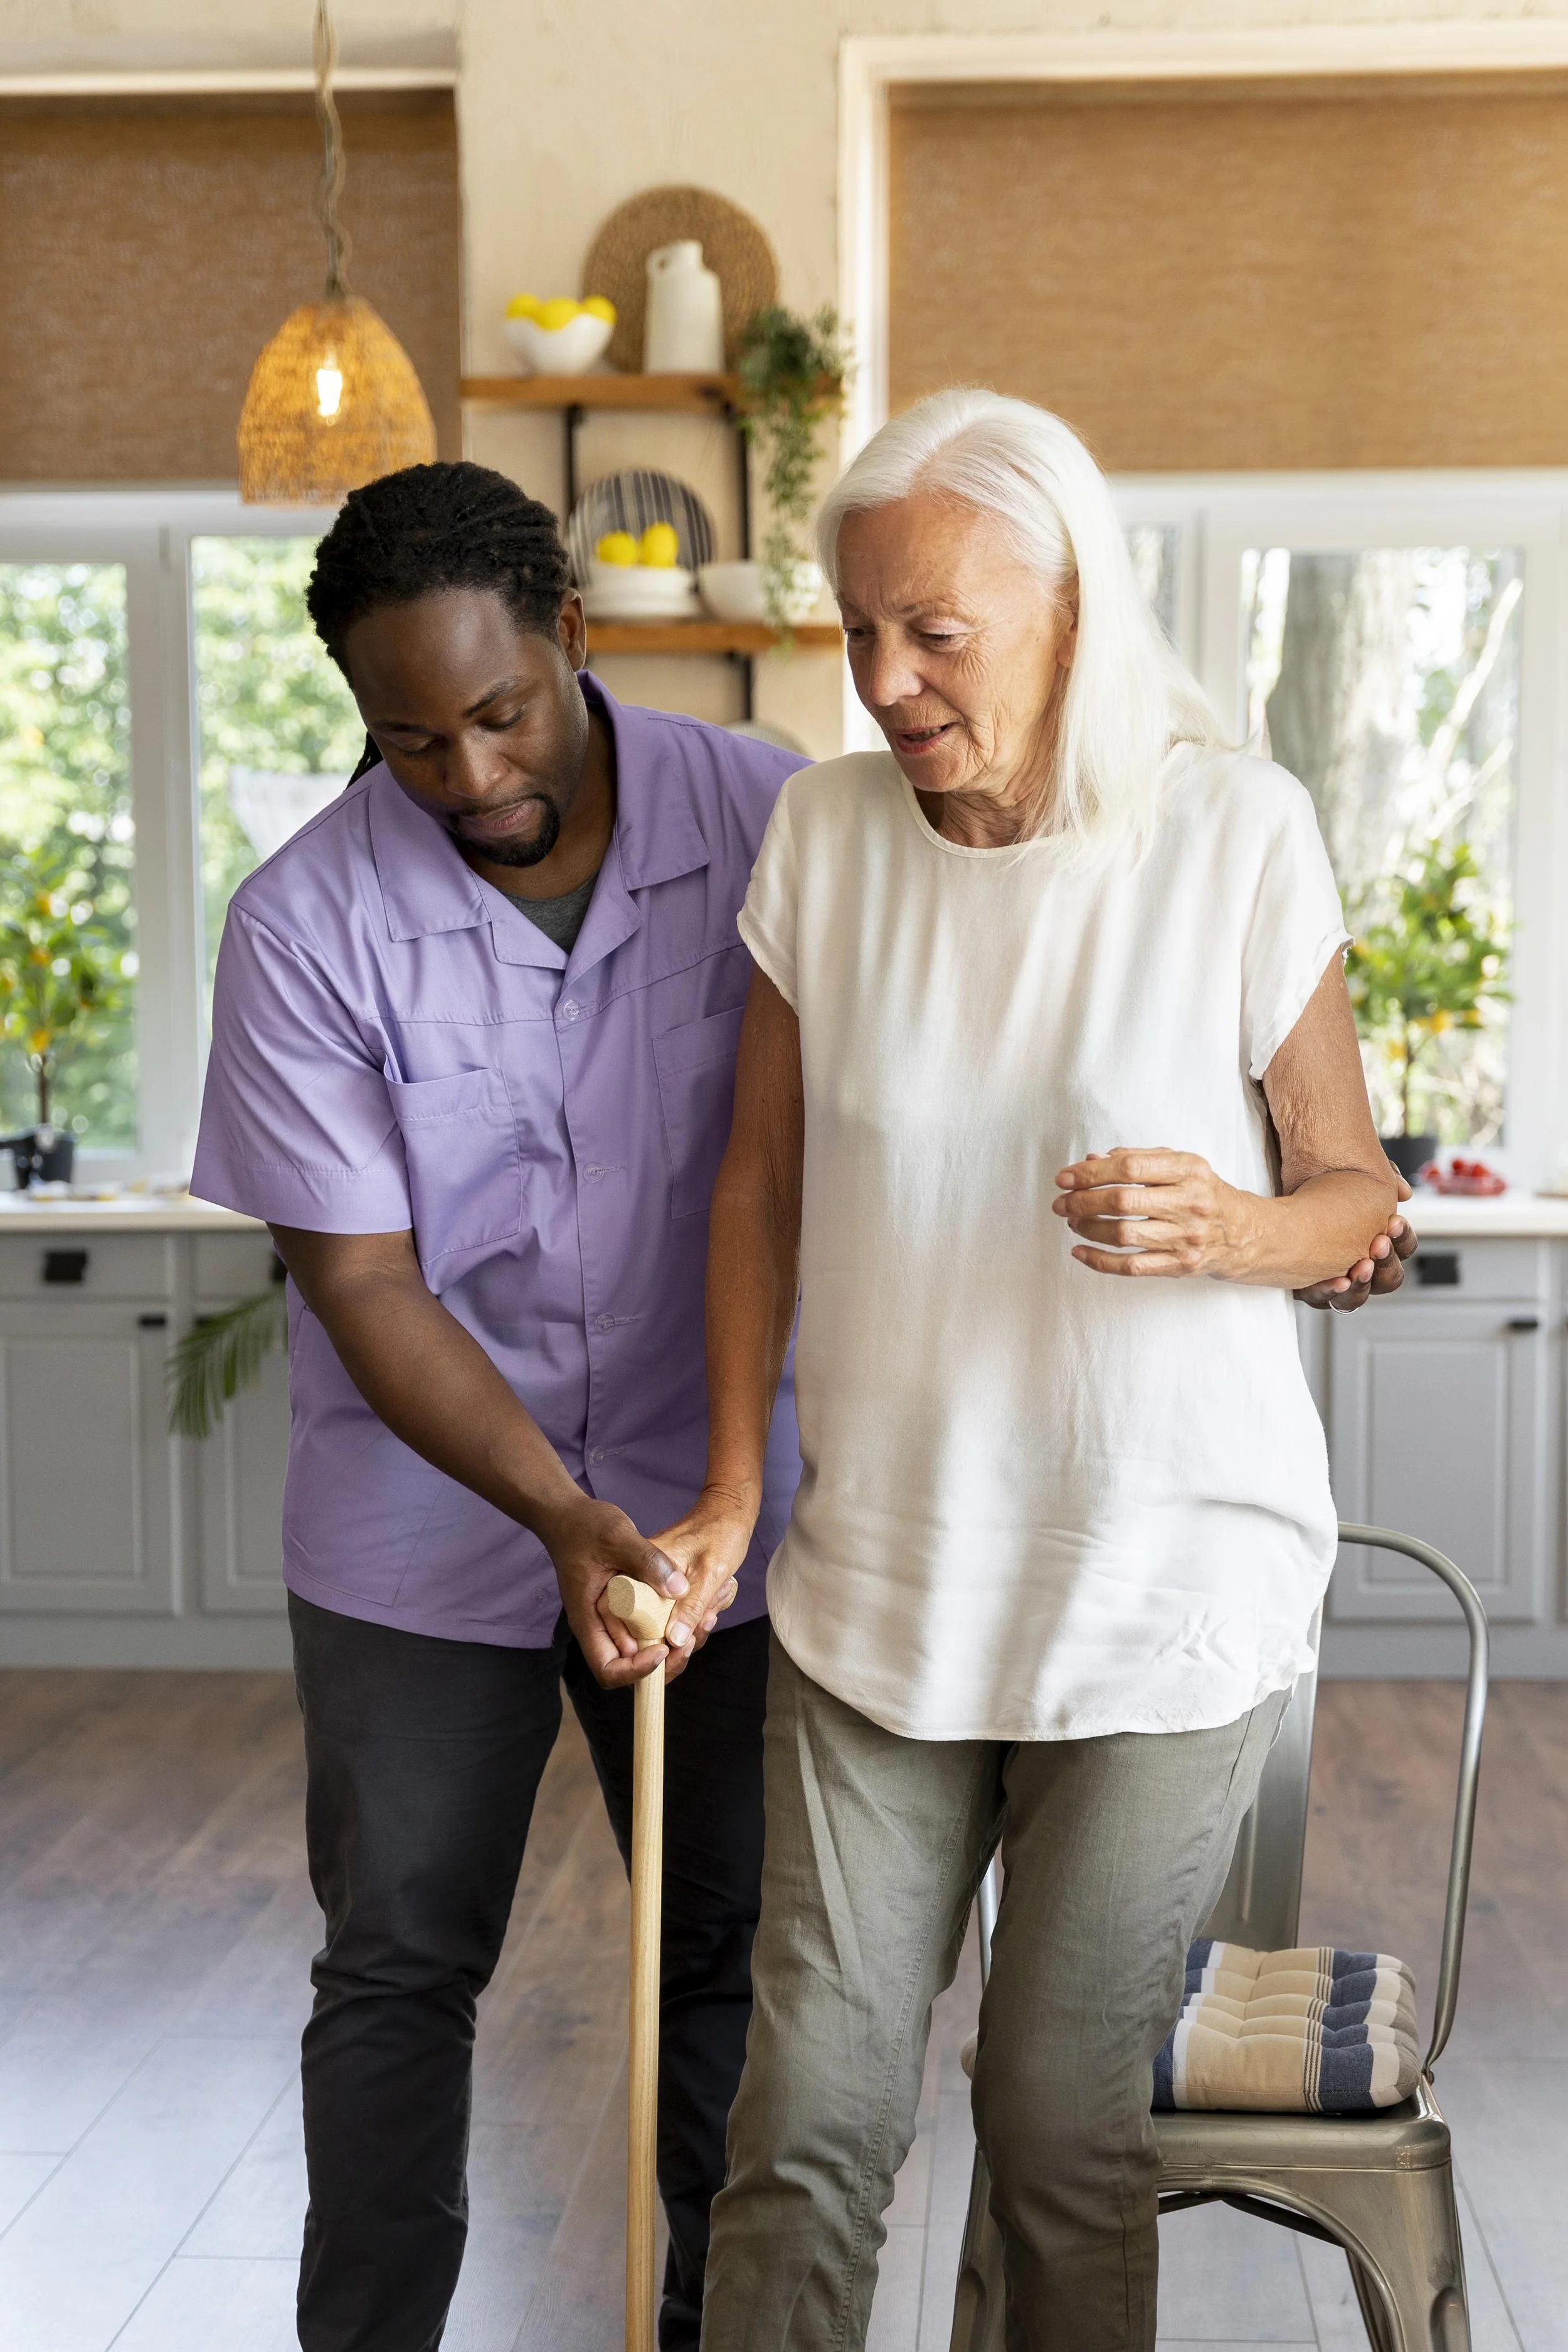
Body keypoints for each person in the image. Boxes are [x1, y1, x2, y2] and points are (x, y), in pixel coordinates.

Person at [647, 391, 1415, 2352]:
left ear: (1068, 601)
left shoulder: (1232, 828)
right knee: (802, 2126)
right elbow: (757, 1176)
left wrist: (1227, 1228)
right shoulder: (825, 838)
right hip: (881, 1589)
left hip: (1155, 1593)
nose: (888, 680)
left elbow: (1351, 1198)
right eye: (858, 631)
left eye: (936, 632)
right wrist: (737, 1481)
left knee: (1059, 2130)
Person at [189, 462, 806, 2352]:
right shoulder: (303, 922)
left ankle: (728, 2321)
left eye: (498, 713)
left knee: (732, 1960)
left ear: (575, 639)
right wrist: (554, 1512)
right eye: (407, 737)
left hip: (727, 1508)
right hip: (423, 1520)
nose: (463, 775)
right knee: (397, 1964)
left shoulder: (779, 819)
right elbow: (365, 1278)